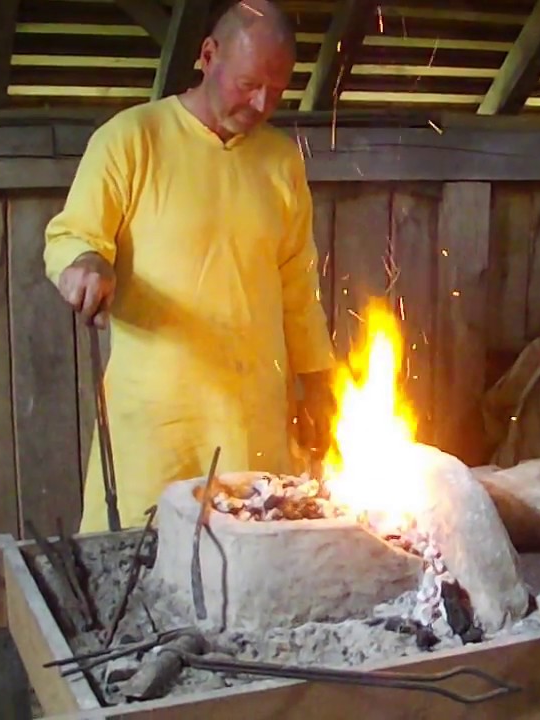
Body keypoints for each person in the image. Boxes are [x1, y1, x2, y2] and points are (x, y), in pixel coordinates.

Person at [44, 0, 336, 532]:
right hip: (159, 423)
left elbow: (297, 282)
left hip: (254, 420)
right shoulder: (131, 139)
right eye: (249, 83)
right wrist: (86, 264)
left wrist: (318, 378)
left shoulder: (280, 161)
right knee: (146, 562)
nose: (261, 101)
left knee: (256, 568)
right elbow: (73, 235)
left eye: (276, 89)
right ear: (208, 55)